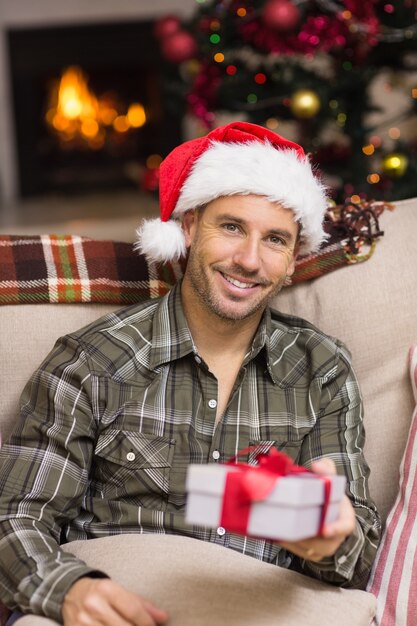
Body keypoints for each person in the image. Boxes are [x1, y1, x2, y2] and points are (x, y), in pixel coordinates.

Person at [0, 122, 380, 625]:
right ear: (188, 226)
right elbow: (17, 515)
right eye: (231, 227)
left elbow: (357, 554)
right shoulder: (90, 360)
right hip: (126, 605)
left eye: (275, 239)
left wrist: (332, 542)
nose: (249, 260)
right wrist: (68, 591)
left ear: (292, 261)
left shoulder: (321, 369)